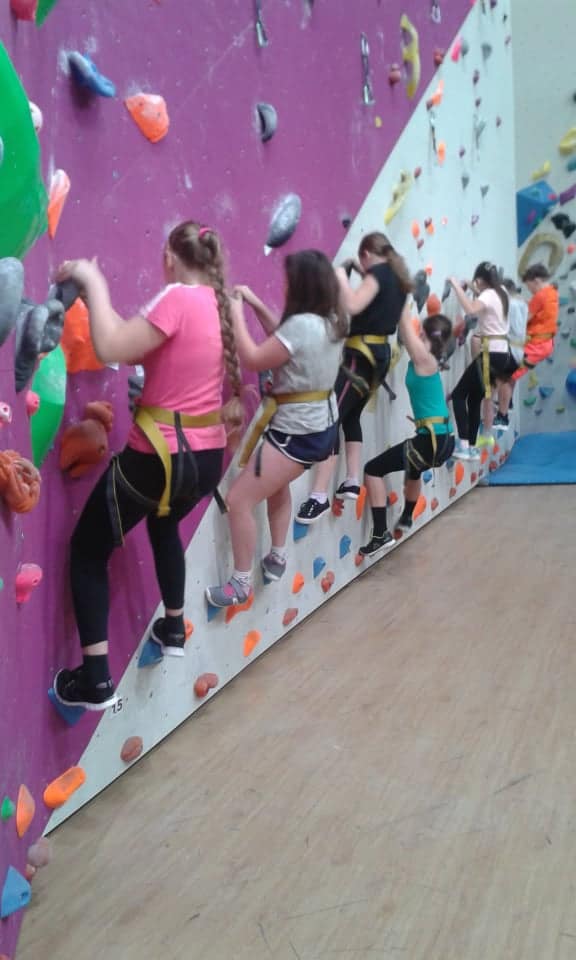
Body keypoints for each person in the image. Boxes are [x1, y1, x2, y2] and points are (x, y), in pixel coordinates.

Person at [52, 221, 243, 710]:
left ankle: (95, 680)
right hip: (205, 460)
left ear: (169, 258)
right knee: (164, 523)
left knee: (88, 550)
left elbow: (111, 348)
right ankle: (174, 626)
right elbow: (149, 348)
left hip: (159, 457)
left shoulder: (177, 297)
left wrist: (93, 281)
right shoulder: (219, 303)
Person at [205, 250, 345, 607]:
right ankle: (278, 557)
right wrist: (254, 302)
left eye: (287, 280)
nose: (283, 285)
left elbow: (254, 358)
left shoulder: (302, 326)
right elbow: (283, 341)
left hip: (296, 434)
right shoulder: (330, 321)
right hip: (320, 428)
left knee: (239, 499)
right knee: (275, 485)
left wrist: (236, 312)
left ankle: (240, 584)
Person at [296, 232, 412, 524]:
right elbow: (375, 298)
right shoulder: (396, 279)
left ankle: (319, 496)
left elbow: (354, 305)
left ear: (367, 254)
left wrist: (340, 276)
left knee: (331, 416)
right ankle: (351, 480)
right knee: (350, 416)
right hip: (378, 357)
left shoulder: (378, 274)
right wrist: (361, 272)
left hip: (360, 357)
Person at [360, 309, 455, 555]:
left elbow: (404, 326)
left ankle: (380, 535)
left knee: (372, 470)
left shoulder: (424, 358)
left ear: (428, 336)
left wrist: (399, 297)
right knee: (414, 468)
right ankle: (406, 517)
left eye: (422, 331)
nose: (417, 333)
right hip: (439, 437)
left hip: (432, 440)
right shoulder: (429, 360)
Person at [449, 262, 513, 460]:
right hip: (502, 354)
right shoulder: (502, 292)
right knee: (475, 398)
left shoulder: (488, 295)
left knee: (459, 395)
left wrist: (456, 285)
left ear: (480, 279)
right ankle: (473, 446)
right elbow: (485, 301)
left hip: (490, 355)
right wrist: (472, 287)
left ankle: (464, 444)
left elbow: (470, 309)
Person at [495, 264, 558, 427]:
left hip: (537, 345)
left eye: (530, 286)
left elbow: (524, 319)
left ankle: (502, 416)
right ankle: (507, 403)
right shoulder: (552, 292)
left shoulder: (541, 296)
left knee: (507, 375)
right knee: (513, 372)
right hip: (543, 343)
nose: (530, 290)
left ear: (536, 281)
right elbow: (536, 311)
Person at [493, 278, 528, 430]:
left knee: (504, 380)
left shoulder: (511, 305)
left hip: (512, 347)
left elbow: (509, 327)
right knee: (510, 378)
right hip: (520, 348)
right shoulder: (521, 303)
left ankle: (503, 416)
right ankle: (508, 404)